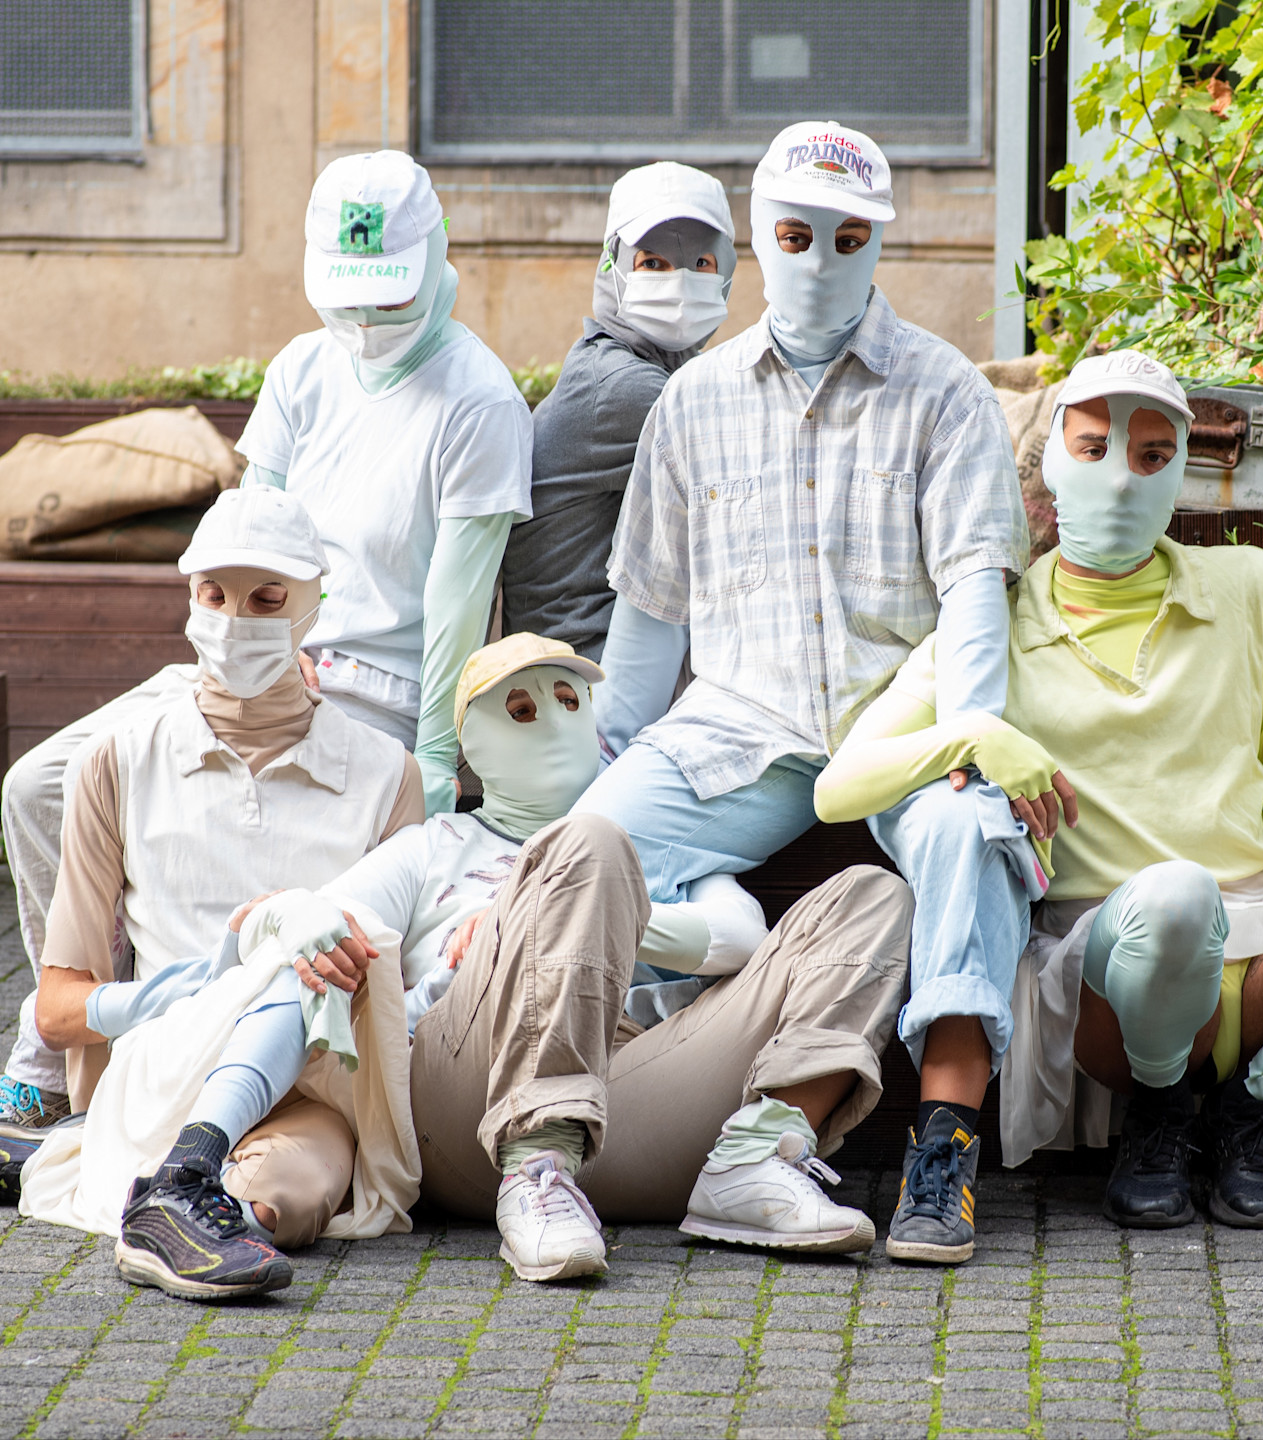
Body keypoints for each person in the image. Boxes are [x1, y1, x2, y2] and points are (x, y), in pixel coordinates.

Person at [816, 349, 1263, 1231]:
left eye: (1152, 455)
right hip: (1115, 967)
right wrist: (973, 732)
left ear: (1182, 471)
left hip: (1262, 944)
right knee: (1175, 895)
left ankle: (1252, 1112)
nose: (1120, 476)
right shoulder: (995, 627)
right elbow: (838, 791)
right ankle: (1158, 1113)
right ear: (1052, 462)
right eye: (1095, 446)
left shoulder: (1249, 586)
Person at [573, 120, 1032, 1265]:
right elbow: (651, 615)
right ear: (758, 237)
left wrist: (971, 735)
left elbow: (975, 587)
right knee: (590, 850)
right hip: (741, 726)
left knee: (971, 837)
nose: (820, 258)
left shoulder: (946, 391)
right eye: (794, 235)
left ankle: (943, 1149)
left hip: (902, 728)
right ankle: (592, 1108)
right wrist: (608, 760)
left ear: (879, 241)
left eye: (847, 236)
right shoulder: (694, 401)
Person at [0, 150, 529, 1129]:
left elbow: (459, 600)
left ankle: (100, 1067)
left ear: (436, 253)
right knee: (38, 787)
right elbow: (249, 528)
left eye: (386, 294)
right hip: (247, 651)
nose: (363, 319)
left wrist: (434, 761)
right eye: (346, 294)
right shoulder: (302, 369)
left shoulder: (479, 400)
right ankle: (80, 1028)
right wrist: (234, 648)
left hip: (369, 690)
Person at [187, 633, 909, 1286]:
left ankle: (754, 1159)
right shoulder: (435, 845)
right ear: (474, 743)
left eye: (569, 701)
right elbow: (324, 926)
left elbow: (742, 939)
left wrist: (584, 907)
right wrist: (509, 925)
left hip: (638, 1097)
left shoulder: (649, 840)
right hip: (470, 1104)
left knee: (872, 897)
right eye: (522, 710)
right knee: (588, 841)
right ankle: (536, 1163)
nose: (554, 721)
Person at [8, 487, 422, 1294]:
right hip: (163, 1067)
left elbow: (394, 978)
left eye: (267, 599)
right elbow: (56, 1009)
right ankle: (177, 1176)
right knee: (290, 936)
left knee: (292, 1194)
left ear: (313, 606)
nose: (235, 620)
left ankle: (175, 1203)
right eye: (214, 595)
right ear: (189, 598)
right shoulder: (117, 760)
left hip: (313, 1087)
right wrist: (187, 990)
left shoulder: (386, 773)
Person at [501, 162, 737, 661]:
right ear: (612, 267)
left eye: (701, 263)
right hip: (584, 670)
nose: (679, 281)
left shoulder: (636, 368)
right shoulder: (621, 388)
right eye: (653, 263)